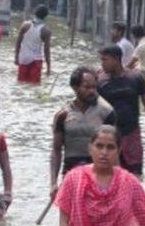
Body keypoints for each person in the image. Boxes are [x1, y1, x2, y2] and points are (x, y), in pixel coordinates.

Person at [50, 66, 116, 197]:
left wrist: (116, 179)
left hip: (100, 174)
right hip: (71, 173)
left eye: (94, 87)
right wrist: (53, 183)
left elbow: (114, 148)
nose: (92, 91)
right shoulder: (63, 115)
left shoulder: (106, 111)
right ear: (75, 88)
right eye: (87, 87)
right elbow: (56, 150)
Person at [97, 45, 145, 178]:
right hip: (109, 136)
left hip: (131, 134)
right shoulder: (100, 81)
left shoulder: (136, 78)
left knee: (135, 174)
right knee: (111, 175)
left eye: (105, 60)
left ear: (116, 59)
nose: (102, 64)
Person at [14, 5, 52, 84]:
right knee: (34, 85)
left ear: (35, 13)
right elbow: (46, 51)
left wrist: (16, 57)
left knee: (21, 83)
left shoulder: (25, 25)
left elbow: (18, 42)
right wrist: (48, 67)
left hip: (23, 58)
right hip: (36, 60)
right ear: (45, 16)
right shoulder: (46, 30)